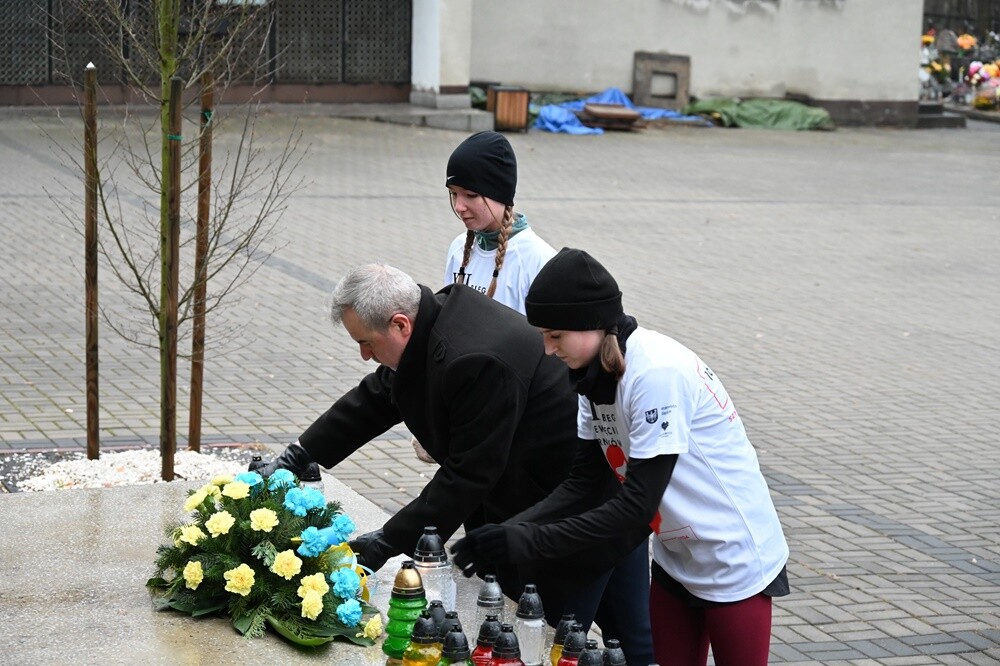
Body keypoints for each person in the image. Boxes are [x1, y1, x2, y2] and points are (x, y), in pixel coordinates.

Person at [251, 262, 652, 661]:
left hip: (569, 522)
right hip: (584, 505)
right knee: (629, 643)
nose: (363, 355)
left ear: (400, 325)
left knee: (554, 645)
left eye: (367, 343)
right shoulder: (430, 324)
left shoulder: (474, 357)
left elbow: (468, 475)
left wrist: (385, 542)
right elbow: (373, 400)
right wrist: (297, 457)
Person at [450, 248, 791, 666]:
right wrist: (511, 529)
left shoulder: (655, 374)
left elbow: (634, 507)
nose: (547, 349)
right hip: (677, 556)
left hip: (732, 556)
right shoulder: (594, 378)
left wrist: (526, 540)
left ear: (593, 323)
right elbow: (584, 483)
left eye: (555, 335)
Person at [442, 130, 555, 314]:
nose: (459, 206)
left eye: (471, 195)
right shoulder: (458, 249)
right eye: (454, 194)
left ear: (500, 194)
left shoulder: (539, 260)